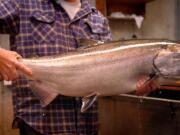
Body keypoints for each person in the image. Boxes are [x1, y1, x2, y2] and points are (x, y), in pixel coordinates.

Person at [0, 0, 112, 135]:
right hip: (38, 127)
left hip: (88, 127)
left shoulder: (98, 19)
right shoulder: (22, 4)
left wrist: (140, 83)